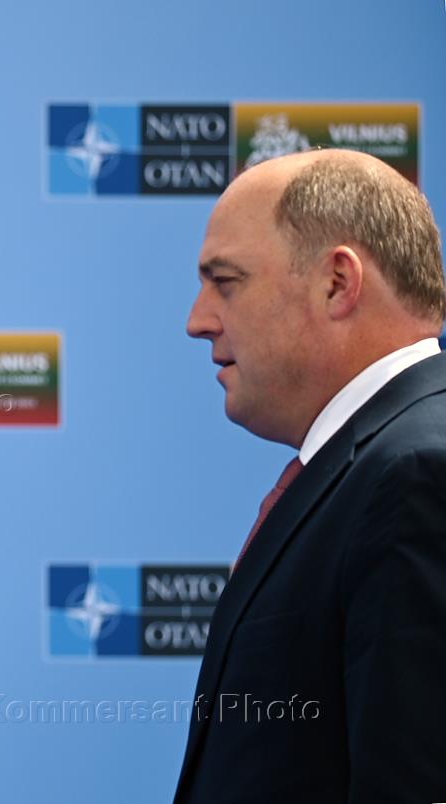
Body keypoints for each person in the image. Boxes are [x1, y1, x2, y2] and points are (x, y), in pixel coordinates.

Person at [175, 149, 446, 802]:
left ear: (337, 283)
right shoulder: (378, 466)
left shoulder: (418, 473)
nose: (197, 320)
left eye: (226, 281)